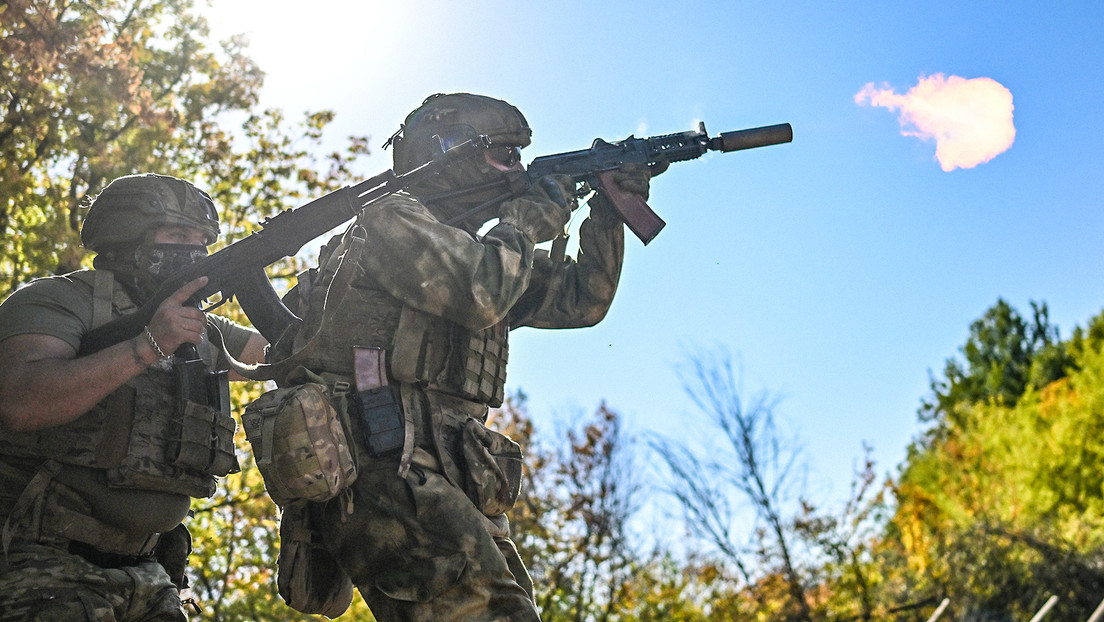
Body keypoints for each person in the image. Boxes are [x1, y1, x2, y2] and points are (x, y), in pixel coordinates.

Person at [267, 93, 654, 621]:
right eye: (505, 155)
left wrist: (607, 211)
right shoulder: (389, 220)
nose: (517, 171)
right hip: (384, 464)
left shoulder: (479, 249)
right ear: (449, 154)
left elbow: (583, 300)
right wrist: (524, 224)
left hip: (454, 475)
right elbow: (481, 291)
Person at [0, 173, 267, 621]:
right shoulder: (59, 300)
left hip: (150, 575)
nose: (195, 251)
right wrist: (148, 346)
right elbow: (22, 402)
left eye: (202, 241)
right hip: (41, 566)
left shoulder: (197, 324)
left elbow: (281, 353)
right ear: (126, 235)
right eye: (177, 235)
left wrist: (342, 289)